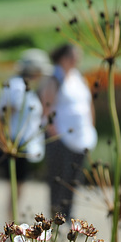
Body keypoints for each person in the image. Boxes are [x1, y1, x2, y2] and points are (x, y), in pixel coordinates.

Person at [39, 43, 97, 220]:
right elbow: (46, 109)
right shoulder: (53, 79)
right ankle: (56, 219)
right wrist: (55, 134)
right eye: (73, 56)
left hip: (80, 137)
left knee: (73, 180)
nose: (76, 59)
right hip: (61, 137)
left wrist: (90, 127)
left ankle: (69, 218)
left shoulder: (78, 77)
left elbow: (88, 104)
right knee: (58, 179)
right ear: (63, 58)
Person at [0, 48, 53, 219]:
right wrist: (2, 138)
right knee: (16, 184)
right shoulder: (17, 87)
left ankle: (12, 221)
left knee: (19, 185)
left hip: (24, 143)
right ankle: (11, 224)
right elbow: (4, 113)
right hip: (15, 143)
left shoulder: (25, 87)